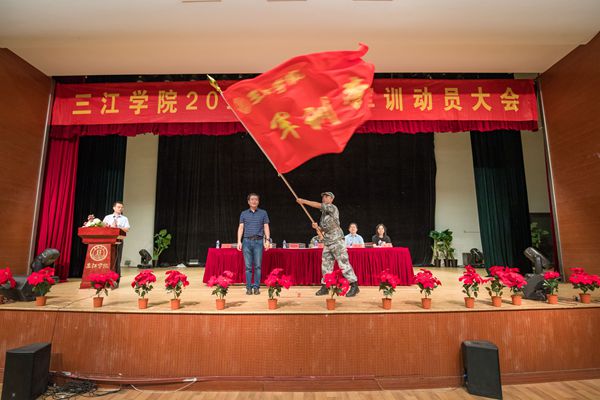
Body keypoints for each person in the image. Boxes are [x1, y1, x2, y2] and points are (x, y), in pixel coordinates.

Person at [297, 192, 359, 297]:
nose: (324, 198)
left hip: (337, 240)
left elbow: (318, 205)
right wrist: (317, 227)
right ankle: (325, 286)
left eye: (327, 197)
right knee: (326, 265)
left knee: (343, 263)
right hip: (328, 241)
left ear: (331, 199)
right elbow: (324, 229)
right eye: (323, 197)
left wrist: (303, 201)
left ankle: (354, 285)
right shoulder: (323, 215)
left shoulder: (332, 208)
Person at [237, 193, 270, 295]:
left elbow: (266, 227)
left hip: (258, 242)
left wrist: (267, 240)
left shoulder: (263, 213)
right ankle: (248, 288)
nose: (254, 201)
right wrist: (239, 241)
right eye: (252, 199)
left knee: (258, 266)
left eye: (256, 199)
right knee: (248, 267)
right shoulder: (243, 213)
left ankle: (256, 287)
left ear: (258, 202)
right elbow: (241, 227)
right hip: (246, 241)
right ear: (248, 202)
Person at [102, 201, 130, 284]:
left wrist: (118, 228)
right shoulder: (107, 217)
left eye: (121, 207)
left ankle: (116, 278)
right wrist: (109, 227)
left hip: (119, 240)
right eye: (118, 207)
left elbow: (127, 229)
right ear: (114, 208)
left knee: (117, 259)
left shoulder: (124, 218)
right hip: (107, 241)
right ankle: (105, 277)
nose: (120, 209)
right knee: (107, 259)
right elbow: (102, 227)